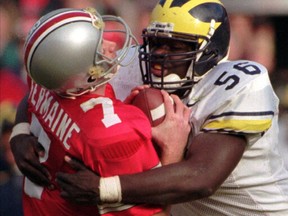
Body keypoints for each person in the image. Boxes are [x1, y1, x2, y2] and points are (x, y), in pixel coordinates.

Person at [10, 0, 288, 215]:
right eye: (155, 43)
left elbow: (202, 177)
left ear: (210, 52)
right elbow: (56, 83)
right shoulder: (131, 62)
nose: (159, 56)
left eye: (175, 46)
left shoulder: (241, 84)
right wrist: (21, 132)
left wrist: (105, 188)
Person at [9, 7, 191, 216]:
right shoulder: (114, 134)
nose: (113, 45)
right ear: (83, 74)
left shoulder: (49, 76)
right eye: (101, 48)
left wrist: (19, 131)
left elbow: (33, 101)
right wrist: (173, 153)